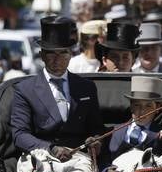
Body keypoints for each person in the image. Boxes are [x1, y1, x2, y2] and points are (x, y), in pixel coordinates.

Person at [11, 16, 103, 162]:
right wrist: (50, 148)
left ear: (70, 55)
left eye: (63, 53)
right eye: (51, 53)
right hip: (39, 157)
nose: (57, 59)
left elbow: (96, 128)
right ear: (42, 55)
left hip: (78, 158)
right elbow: (19, 135)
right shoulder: (25, 90)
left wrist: (96, 140)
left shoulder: (86, 87)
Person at [105, 76, 162, 172]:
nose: (142, 111)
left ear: (157, 108)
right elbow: (101, 158)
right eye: (137, 105)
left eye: (148, 106)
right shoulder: (113, 131)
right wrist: (106, 171)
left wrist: (159, 171)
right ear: (131, 106)